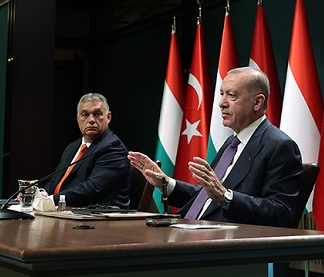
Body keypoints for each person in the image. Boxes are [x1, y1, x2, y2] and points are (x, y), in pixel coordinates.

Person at [128, 67, 302, 227]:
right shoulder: (232, 143)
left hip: (225, 241)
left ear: (257, 102)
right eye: (222, 94)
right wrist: (166, 183)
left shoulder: (280, 146)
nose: (221, 103)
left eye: (231, 95)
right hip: (188, 228)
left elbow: (281, 213)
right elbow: (208, 197)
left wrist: (225, 197)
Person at [43, 93, 130, 208]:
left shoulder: (113, 148)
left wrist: (49, 200)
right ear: (77, 118)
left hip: (98, 216)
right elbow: (54, 182)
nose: (91, 120)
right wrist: (40, 195)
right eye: (85, 115)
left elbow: (92, 189)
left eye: (97, 114)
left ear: (108, 117)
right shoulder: (72, 147)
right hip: (64, 211)